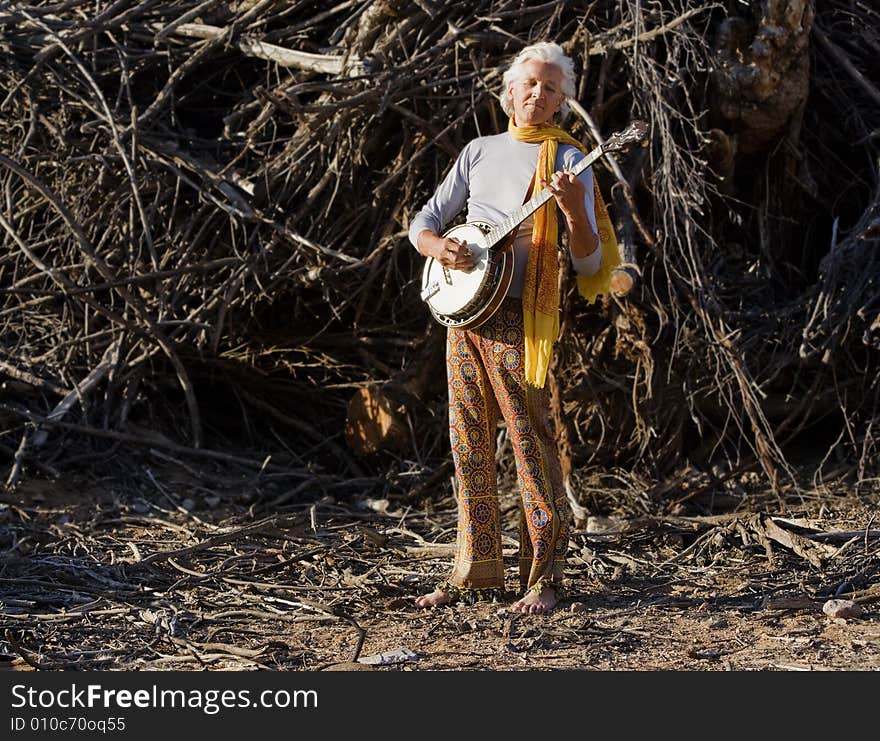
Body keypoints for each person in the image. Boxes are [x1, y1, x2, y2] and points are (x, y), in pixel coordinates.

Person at [409, 41, 619, 614]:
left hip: (521, 320)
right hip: (464, 313)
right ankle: (474, 571)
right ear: (507, 92)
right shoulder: (478, 151)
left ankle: (543, 577)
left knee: (530, 442)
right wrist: (438, 246)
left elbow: (587, 260)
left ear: (562, 103)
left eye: (551, 88)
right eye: (529, 83)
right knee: (467, 440)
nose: (538, 93)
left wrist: (575, 209)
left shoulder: (572, 161)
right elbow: (422, 222)